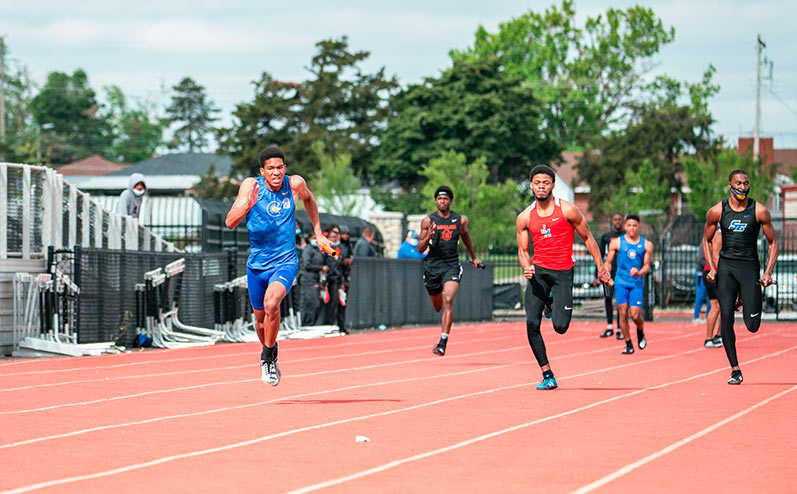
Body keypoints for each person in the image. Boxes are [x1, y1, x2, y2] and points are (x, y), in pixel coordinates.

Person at [225, 145, 330, 386]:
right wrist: (246, 205)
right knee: (260, 320)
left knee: (273, 304)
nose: (276, 173)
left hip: (285, 260)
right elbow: (230, 222)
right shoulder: (250, 186)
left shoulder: (294, 184)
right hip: (257, 264)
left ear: (285, 168)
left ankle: (267, 358)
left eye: (280, 167)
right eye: (270, 169)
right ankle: (271, 349)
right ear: (262, 171)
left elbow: (310, 199)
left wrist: (318, 233)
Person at [516, 165, 611, 390]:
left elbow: (588, 238)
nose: (541, 186)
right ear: (531, 186)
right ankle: (547, 374)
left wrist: (601, 268)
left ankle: (551, 301)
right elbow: (522, 249)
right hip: (538, 273)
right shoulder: (525, 217)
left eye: (545, 182)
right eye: (537, 183)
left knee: (560, 327)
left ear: (552, 185)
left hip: (562, 274)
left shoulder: (568, 210)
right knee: (531, 323)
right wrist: (526, 266)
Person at [703, 169, 778, 385]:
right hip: (726, 267)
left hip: (749, 268)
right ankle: (735, 369)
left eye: (746, 183)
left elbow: (773, 242)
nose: (742, 187)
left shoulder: (759, 211)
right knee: (725, 315)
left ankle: (744, 298)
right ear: (729, 185)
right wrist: (712, 268)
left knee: (752, 325)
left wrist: (768, 272)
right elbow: (706, 240)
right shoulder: (717, 211)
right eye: (738, 183)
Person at [417, 185, 482, 356]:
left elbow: (466, 236)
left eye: (445, 199)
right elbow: (419, 248)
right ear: (435, 201)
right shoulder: (428, 221)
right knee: (438, 306)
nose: (442, 201)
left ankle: (443, 342)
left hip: (451, 265)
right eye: (439, 199)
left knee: (449, 298)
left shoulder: (460, 220)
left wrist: (473, 257)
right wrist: (429, 237)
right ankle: (442, 333)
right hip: (432, 267)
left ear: (450, 201)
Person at [604, 214, 653, 355]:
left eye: (634, 225)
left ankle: (640, 330)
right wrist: (606, 273)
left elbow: (647, 266)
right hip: (621, 282)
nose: (632, 228)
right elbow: (608, 262)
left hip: (636, 283)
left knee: (635, 315)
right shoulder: (617, 243)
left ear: (639, 227)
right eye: (629, 225)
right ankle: (628, 343)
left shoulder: (646, 245)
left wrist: (639, 272)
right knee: (622, 311)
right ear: (625, 226)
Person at [595, 213, 624, 338]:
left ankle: (620, 328)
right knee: (608, 298)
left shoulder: (625, 237)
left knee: (620, 301)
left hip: (622, 274)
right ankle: (609, 326)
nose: (617, 221)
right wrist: (597, 275)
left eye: (619, 219)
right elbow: (599, 256)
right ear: (612, 221)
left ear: (622, 221)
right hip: (608, 274)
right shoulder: (606, 236)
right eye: (615, 219)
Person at [300, 232, 327, 326]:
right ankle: (307, 323)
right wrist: (320, 267)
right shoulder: (308, 250)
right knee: (310, 302)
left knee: (315, 303)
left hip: (314, 279)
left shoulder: (316, 250)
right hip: (308, 279)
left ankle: (311, 323)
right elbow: (306, 265)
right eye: (313, 237)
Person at [703, 228, 723, 348]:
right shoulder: (718, 235)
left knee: (726, 307)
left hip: (719, 272)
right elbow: (716, 256)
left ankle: (719, 336)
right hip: (713, 272)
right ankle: (709, 338)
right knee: (715, 306)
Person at [693, 247, 710, 324]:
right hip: (701, 273)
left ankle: (709, 316)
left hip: (709, 273)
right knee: (700, 295)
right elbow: (700, 260)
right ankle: (696, 316)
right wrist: (710, 265)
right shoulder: (704, 245)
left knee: (710, 297)